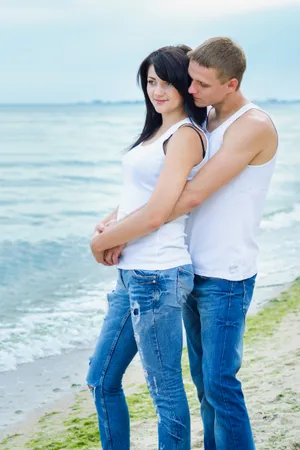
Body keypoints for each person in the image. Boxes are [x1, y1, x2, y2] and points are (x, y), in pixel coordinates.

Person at [93, 37, 278, 450]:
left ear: (230, 85)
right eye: (188, 80)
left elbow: (189, 195)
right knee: (202, 384)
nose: (190, 91)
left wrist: (117, 234)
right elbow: (163, 182)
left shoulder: (253, 125)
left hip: (226, 272)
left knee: (219, 384)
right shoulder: (206, 119)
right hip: (191, 266)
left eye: (201, 84)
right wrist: (118, 216)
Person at [87, 45, 208, 450]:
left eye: (167, 81)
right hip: (132, 276)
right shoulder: (157, 131)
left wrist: (104, 241)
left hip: (158, 275)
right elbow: (143, 193)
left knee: (165, 391)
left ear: (185, 85)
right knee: (101, 380)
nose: (157, 90)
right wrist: (113, 218)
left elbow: (158, 212)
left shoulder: (186, 135)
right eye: (151, 81)